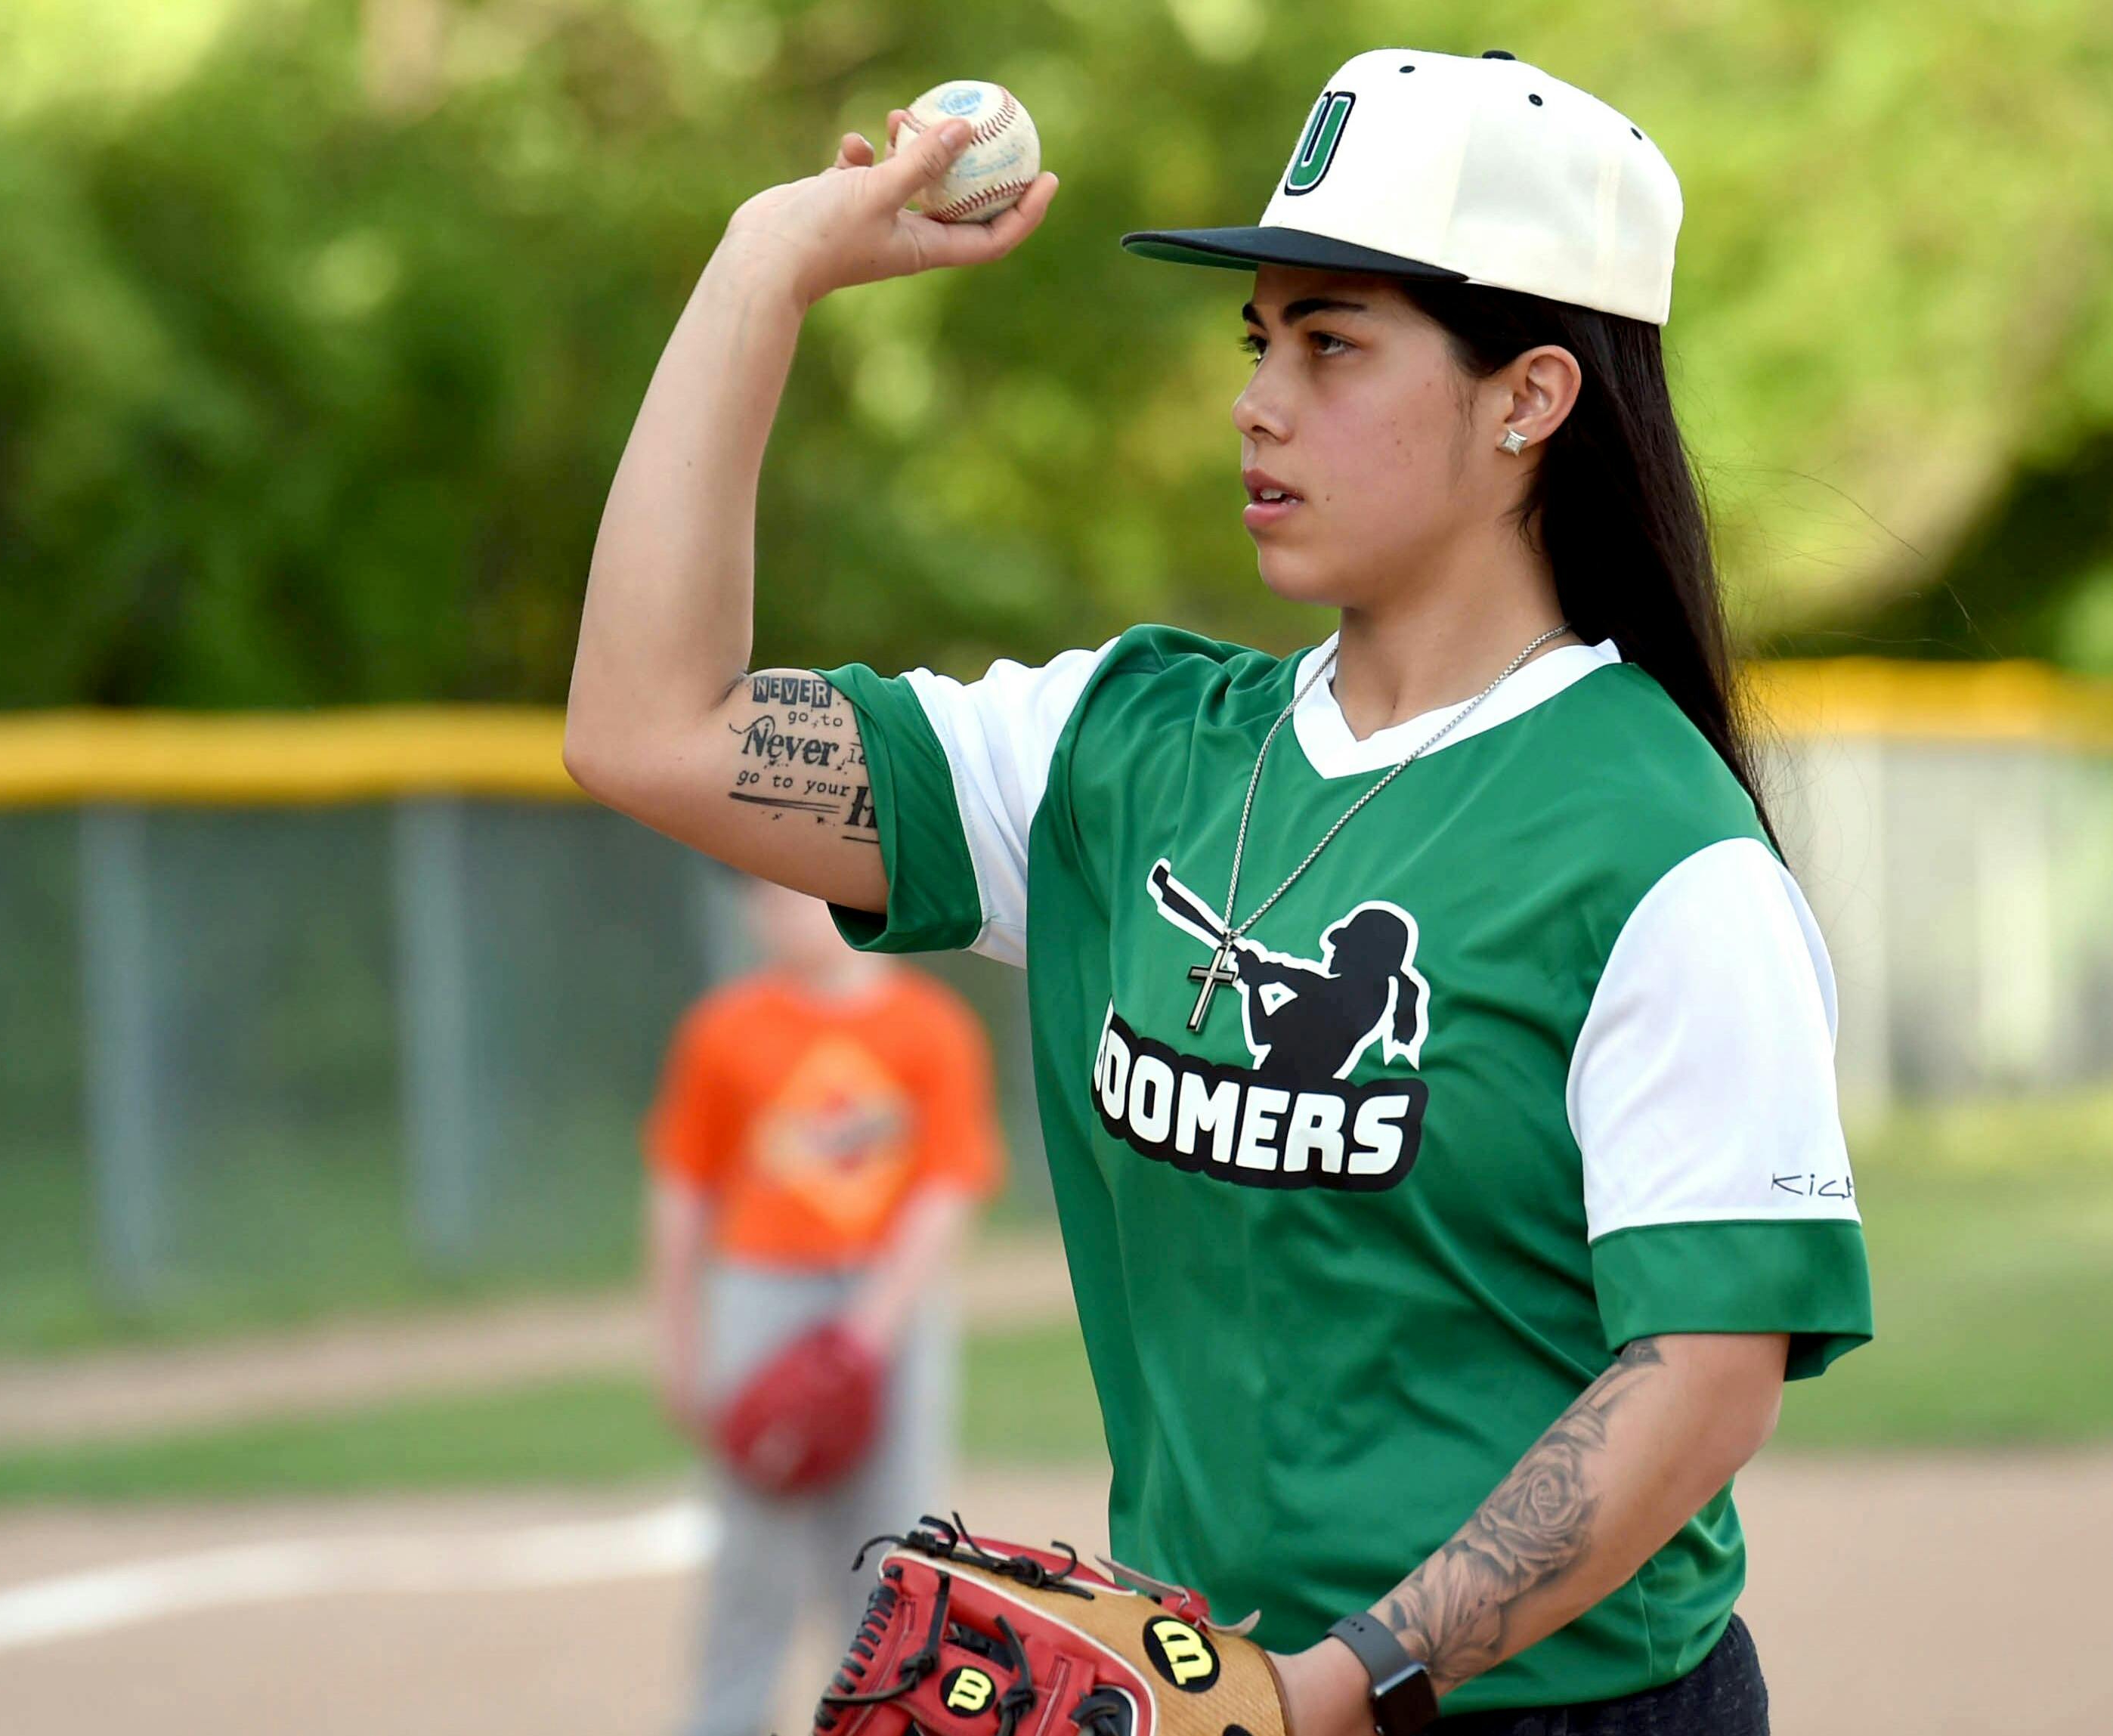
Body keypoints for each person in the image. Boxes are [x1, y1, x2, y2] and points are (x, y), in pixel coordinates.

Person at [566, 47, 1869, 1736]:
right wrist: (762, 265)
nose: (1256, 398)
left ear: (1527, 398)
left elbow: (1698, 1380)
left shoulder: (1655, 846)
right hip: (1223, 1699)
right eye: (1259, 341)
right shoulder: (1127, 748)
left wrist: (1336, 1685)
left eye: (1331, 345)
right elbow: (648, 729)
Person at [645, 877, 1001, 1736]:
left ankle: (880, 1722)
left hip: (890, 1302)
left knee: (892, 1554)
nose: (781, 910)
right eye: (765, 896)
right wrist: (680, 1338)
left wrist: (865, 1332)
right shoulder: (725, 1028)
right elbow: (682, 1190)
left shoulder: (932, 1026)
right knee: (751, 1555)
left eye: (800, 892)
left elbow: (948, 1189)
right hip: (761, 1291)